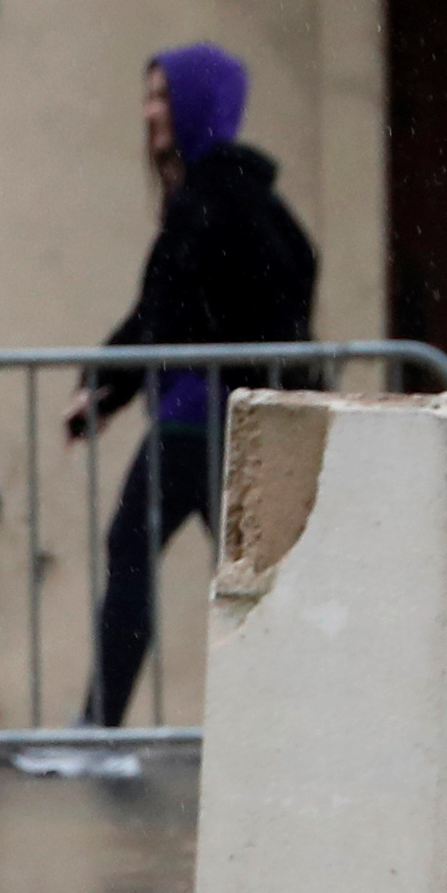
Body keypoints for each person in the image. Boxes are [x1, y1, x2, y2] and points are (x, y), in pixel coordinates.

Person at [24, 42, 318, 775]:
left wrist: (107, 386)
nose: (150, 111)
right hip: (229, 414)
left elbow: (164, 312)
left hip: (203, 414)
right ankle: (290, 730)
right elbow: (172, 308)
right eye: (149, 96)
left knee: (149, 555)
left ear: (195, 104)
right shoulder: (233, 195)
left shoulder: (213, 199)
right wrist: (108, 386)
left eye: (162, 96)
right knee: (255, 580)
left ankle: (103, 732)